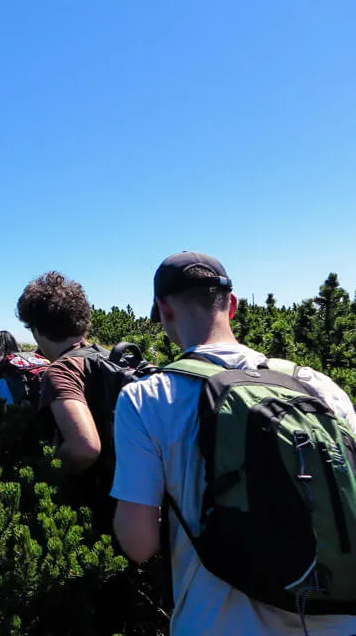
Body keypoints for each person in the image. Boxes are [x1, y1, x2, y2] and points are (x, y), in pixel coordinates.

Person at [112, 251, 356, 635]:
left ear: (164, 309)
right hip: (338, 620)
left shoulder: (147, 398)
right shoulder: (320, 386)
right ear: (234, 305)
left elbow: (139, 544)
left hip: (217, 623)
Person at [16, 271, 121, 530]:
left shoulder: (62, 370)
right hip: (141, 501)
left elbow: (84, 447)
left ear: (37, 330)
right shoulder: (113, 358)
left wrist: (46, 469)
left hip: (99, 511)